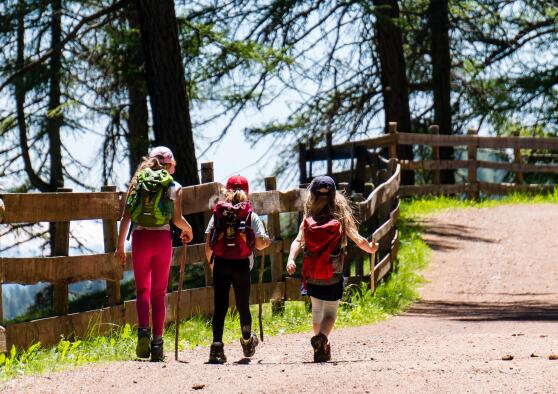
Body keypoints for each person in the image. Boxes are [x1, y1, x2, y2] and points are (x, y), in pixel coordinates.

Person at [286, 175, 378, 362]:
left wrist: (290, 259)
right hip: (333, 274)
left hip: (312, 274)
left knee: (317, 311)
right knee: (330, 314)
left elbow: (298, 240)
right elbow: (357, 238)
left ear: (311, 195)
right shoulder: (340, 215)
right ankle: (322, 339)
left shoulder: (308, 217)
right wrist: (371, 248)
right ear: (334, 195)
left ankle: (320, 347)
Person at [115, 146, 193, 362]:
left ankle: (142, 332)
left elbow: (126, 217)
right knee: (159, 293)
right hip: (162, 241)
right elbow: (177, 220)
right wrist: (189, 230)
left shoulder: (137, 182)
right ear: (170, 165)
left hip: (140, 239)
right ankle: (157, 344)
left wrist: (120, 246)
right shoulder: (174, 186)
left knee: (142, 290)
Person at [204, 175, 272, 364]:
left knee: (220, 307)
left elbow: (208, 245)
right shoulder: (250, 214)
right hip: (242, 264)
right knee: (243, 305)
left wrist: (212, 266)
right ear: (247, 192)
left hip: (221, 264)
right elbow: (259, 243)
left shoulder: (218, 214)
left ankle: (216, 348)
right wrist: (266, 242)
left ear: (226, 191)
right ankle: (247, 341)